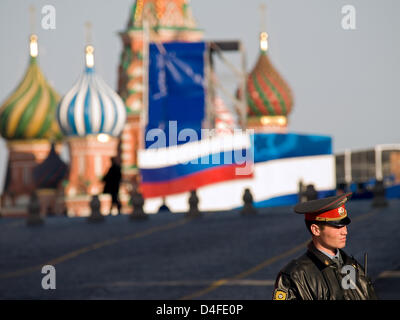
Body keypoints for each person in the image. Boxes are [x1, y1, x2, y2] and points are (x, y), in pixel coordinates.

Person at [272, 193, 377, 300]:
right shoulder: (295, 276)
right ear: (316, 230)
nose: (345, 231)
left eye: (344, 225)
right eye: (337, 227)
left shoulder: (353, 266)